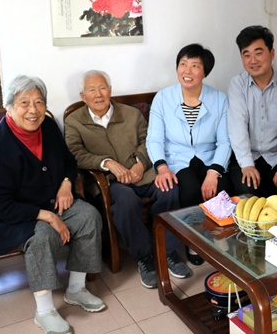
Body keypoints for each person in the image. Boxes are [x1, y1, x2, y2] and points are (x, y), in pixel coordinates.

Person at [0, 75, 105, 334]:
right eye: (24, 103)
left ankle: (76, 289)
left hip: (46, 198)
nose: (33, 110)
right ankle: (44, 311)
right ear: (9, 108)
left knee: (88, 215)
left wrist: (66, 183)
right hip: (0, 214)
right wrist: (47, 216)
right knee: (41, 234)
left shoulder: (48, 126)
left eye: (39, 102)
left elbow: (69, 161)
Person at [64, 70, 192, 288]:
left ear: (110, 90)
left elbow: (149, 140)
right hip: (110, 181)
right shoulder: (74, 121)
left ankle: (167, 251)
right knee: (125, 202)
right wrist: (107, 163)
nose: (98, 94)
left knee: (169, 188)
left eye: (102, 88)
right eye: (92, 90)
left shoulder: (131, 114)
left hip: (143, 173)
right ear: (83, 96)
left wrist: (141, 163)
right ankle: (145, 256)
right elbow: (75, 153)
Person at [147, 43, 232, 265]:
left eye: (195, 65)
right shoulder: (163, 98)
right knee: (190, 188)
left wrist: (213, 172)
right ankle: (194, 242)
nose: (187, 71)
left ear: (205, 71)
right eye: (183, 64)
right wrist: (162, 167)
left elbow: (225, 141)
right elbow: (154, 139)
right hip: (177, 158)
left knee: (221, 187)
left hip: (209, 157)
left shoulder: (220, 99)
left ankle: (220, 237)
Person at [227, 25, 277, 216]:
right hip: (247, 156)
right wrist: (247, 164)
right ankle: (250, 235)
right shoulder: (237, 84)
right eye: (246, 55)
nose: (253, 60)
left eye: (258, 53)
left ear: (271, 53)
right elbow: (237, 126)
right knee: (247, 191)